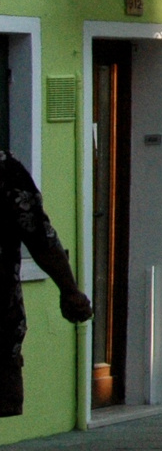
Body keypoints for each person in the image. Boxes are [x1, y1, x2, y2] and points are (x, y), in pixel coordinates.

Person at [0, 152, 90, 415]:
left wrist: (70, 291)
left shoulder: (6, 171)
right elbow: (41, 237)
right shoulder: (5, 170)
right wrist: (70, 292)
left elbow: (40, 237)